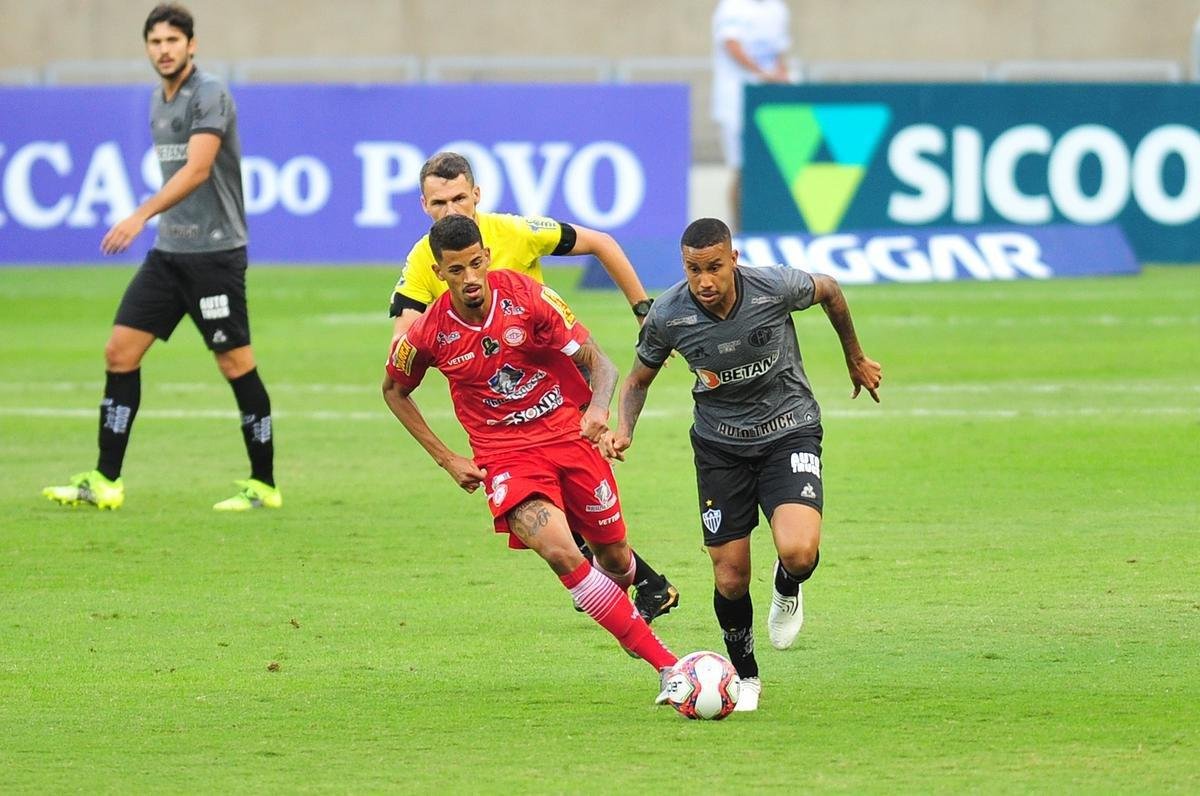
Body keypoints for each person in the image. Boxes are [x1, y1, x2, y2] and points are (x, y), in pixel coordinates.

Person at [382, 214, 678, 701]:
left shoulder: (528, 297)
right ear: (439, 273)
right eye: (456, 271)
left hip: (567, 437)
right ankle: (667, 667)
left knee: (617, 558)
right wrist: (447, 458)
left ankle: (621, 603)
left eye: (476, 264)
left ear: (487, 256)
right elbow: (394, 390)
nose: (470, 279)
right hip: (506, 458)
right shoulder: (429, 333)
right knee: (562, 552)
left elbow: (598, 361)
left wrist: (598, 408)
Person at [607, 218, 882, 712]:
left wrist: (854, 357)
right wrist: (624, 428)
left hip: (789, 428)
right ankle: (747, 677)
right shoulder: (668, 315)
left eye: (715, 267)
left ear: (733, 259)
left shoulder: (773, 287)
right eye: (694, 270)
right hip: (719, 449)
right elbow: (637, 381)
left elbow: (831, 291)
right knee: (730, 577)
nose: (705, 281)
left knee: (798, 552)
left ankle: (787, 586)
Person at [43, 3, 280, 512]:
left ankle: (264, 485)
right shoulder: (157, 100)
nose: (164, 50)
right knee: (119, 353)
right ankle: (106, 480)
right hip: (169, 255)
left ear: (191, 45)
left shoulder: (210, 94)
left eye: (173, 40)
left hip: (215, 253)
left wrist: (138, 215)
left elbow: (196, 170)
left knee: (236, 364)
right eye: (155, 42)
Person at [710, 0, 793, 230]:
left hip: (768, 102)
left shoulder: (777, 8)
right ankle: (740, 229)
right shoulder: (732, 6)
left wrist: (780, 76)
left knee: (772, 166)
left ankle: (768, 226)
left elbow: (779, 53)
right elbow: (731, 44)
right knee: (742, 169)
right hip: (735, 103)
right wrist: (762, 74)